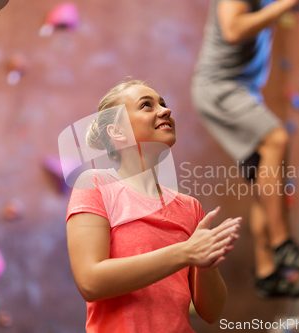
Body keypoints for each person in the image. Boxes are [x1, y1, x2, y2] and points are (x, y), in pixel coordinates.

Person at [65, 80, 241, 332]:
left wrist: (206, 264)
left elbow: (211, 312)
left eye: (163, 103)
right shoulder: (94, 184)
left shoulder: (190, 208)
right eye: (146, 105)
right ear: (117, 132)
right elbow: (91, 281)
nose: (164, 110)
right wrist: (185, 252)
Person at [191, 0, 299, 298]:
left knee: (261, 178)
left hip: (239, 89)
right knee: (276, 139)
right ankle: (282, 245)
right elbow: (234, 29)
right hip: (221, 88)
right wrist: (286, 6)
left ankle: (267, 273)